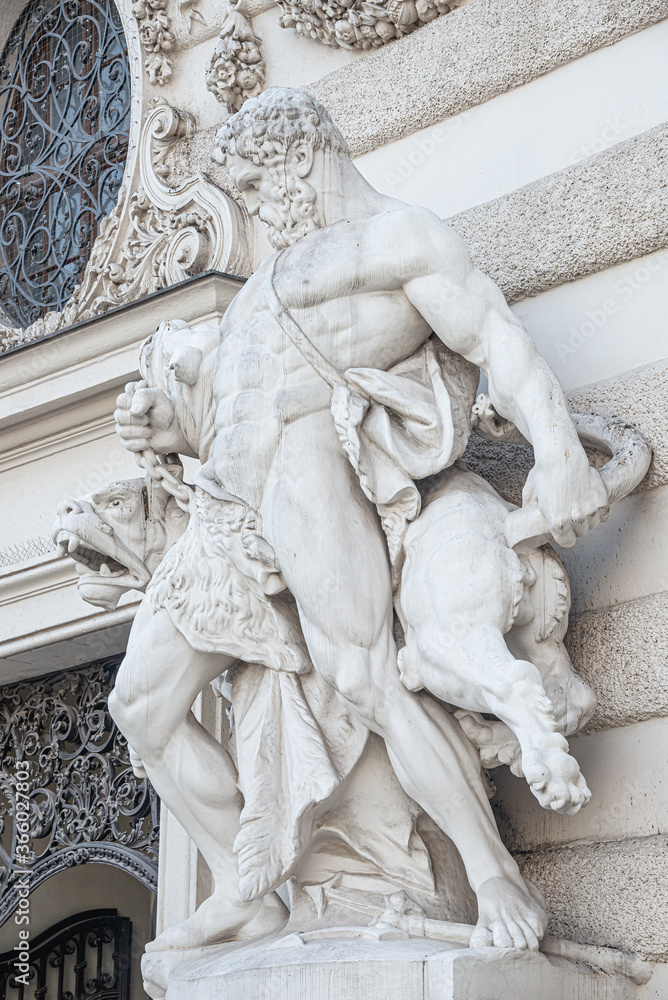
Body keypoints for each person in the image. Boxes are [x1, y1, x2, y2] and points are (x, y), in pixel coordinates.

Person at [112, 88, 609, 951]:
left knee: (366, 679)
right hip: (223, 513)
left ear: (302, 157)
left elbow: (497, 340)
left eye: (261, 192)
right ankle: (244, 886)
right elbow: (230, 403)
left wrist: (561, 452)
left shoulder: (399, 240)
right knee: (138, 707)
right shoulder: (275, 271)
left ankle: (491, 873)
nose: (260, 218)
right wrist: (169, 426)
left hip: (307, 488)